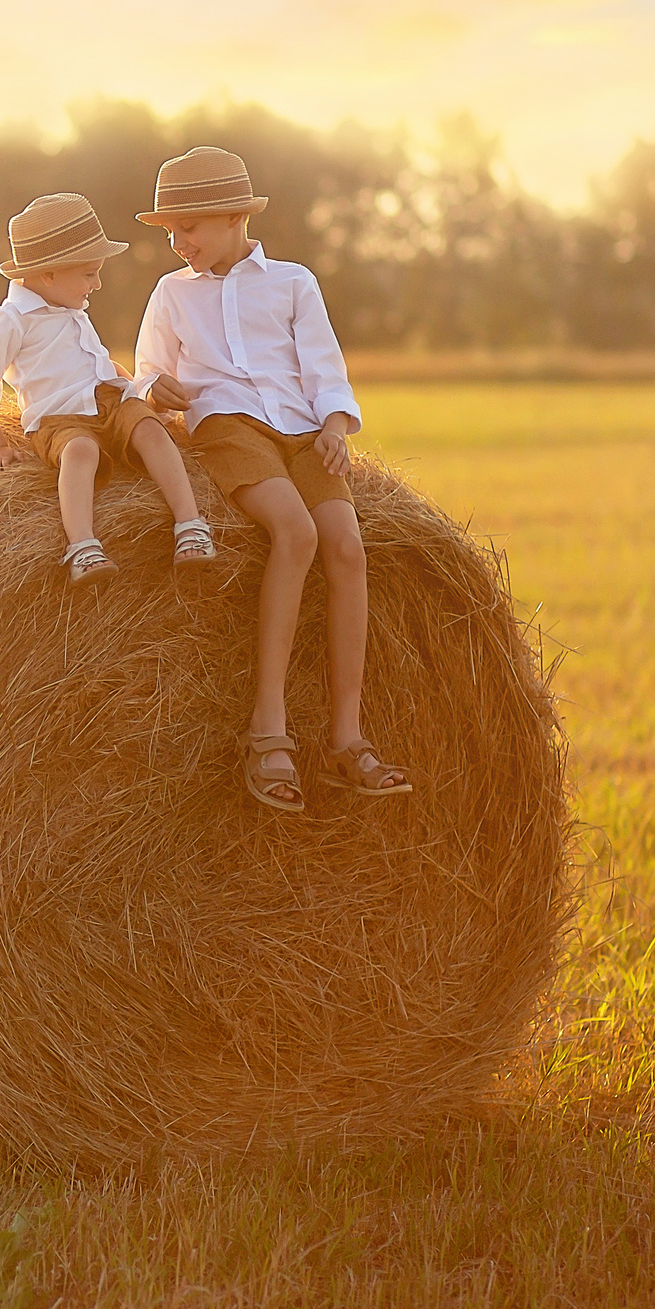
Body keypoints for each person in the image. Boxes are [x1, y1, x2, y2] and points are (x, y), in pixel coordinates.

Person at [131, 147, 414, 812]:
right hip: (228, 425)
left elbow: (322, 363)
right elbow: (145, 369)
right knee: (294, 530)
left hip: (301, 426)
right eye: (171, 232)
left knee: (345, 541)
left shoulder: (293, 282)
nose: (179, 244)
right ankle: (268, 728)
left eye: (189, 227)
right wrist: (156, 387)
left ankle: (348, 737)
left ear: (235, 217)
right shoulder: (172, 294)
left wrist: (335, 426)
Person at [0, 193, 215, 586]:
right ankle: (82, 546)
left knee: (151, 428)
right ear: (48, 273)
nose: (97, 284)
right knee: (80, 451)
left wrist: (130, 386)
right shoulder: (10, 321)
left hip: (108, 401)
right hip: (58, 418)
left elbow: (95, 362)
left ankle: (190, 524)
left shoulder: (70, 306)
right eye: (88, 273)